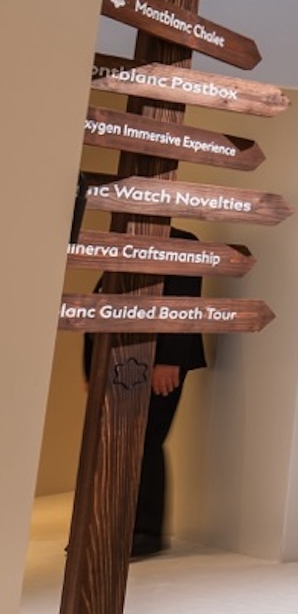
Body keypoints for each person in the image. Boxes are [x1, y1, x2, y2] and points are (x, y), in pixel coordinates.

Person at [82, 228, 208, 558]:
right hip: (117, 362)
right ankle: (112, 528)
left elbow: (182, 305)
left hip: (156, 365)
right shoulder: (123, 242)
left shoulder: (181, 242)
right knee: (116, 446)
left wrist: (169, 360)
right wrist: (91, 369)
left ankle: (146, 533)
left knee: (145, 443)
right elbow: (102, 304)